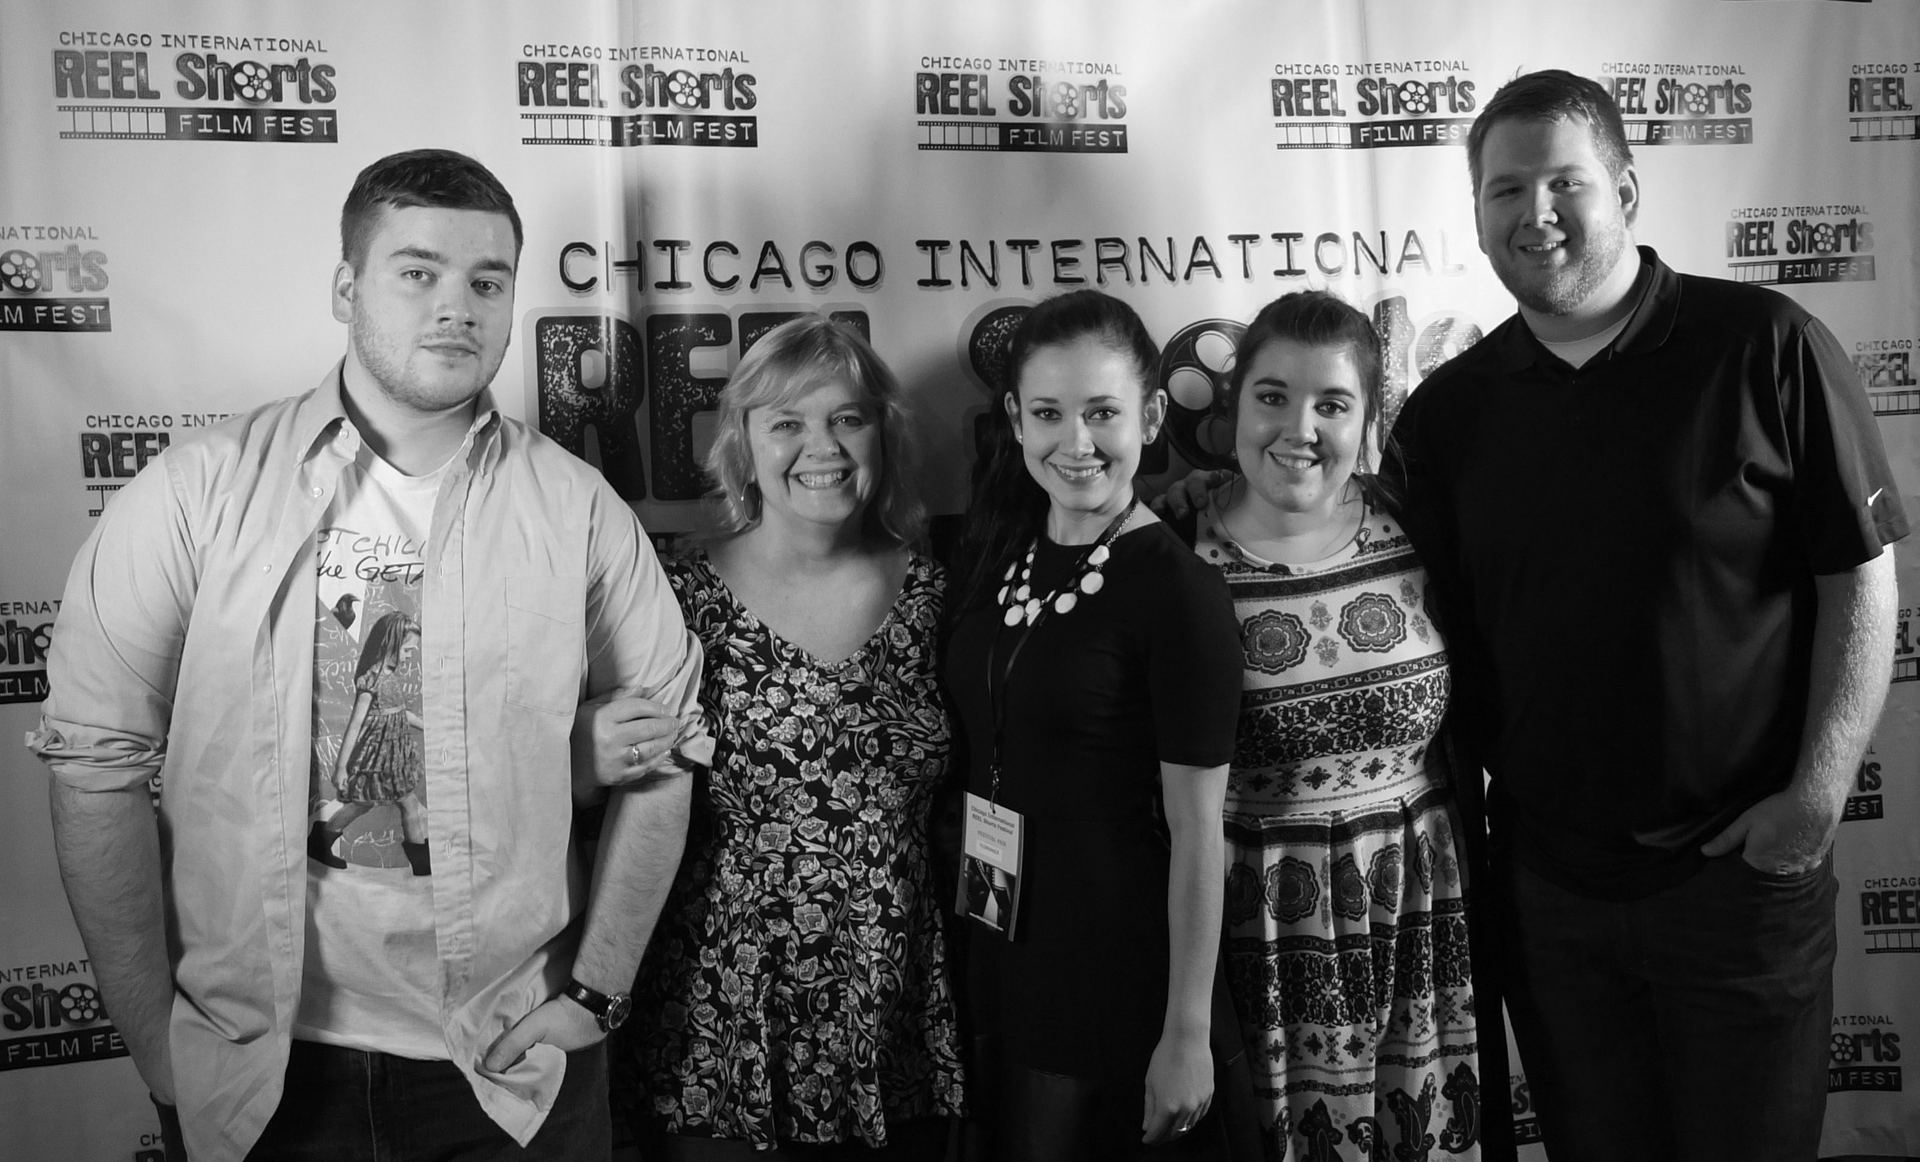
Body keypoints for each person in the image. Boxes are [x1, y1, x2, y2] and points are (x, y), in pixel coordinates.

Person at [26, 148, 711, 1162]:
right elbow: (92, 768)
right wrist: (157, 1053)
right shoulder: (197, 492)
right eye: (417, 271)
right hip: (261, 1073)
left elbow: (669, 758)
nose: (457, 306)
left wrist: (597, 995)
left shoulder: (575, 509)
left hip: (514, 1071)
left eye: (487, 281)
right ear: (346, 288)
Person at [1381, 71, 1906, 1160]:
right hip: (1551, 891)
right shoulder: (1449, 414)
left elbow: (1861, 581)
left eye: (1565, 181)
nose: (1536, 213)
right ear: (1476, 213)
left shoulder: (1765, 344)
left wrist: (1813, 800)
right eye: (1505, 188)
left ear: (1625, 186)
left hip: (1738, 884)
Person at [577, 316, 964, 1159]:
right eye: (786, 422)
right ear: (744, 446)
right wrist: (584, 751)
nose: (819, 445)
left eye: (847, 418)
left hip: (894, 1006)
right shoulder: (673, 594)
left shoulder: (942, 589)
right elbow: (574, 774)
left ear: (882, 435)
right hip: (717, 1017)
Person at [946, 289, 1255, 1160]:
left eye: (1103, 413)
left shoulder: (1178, 593)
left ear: (1153, 415)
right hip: (1002, 939)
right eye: (1048, 412)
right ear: (1012, 418)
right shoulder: (1000, 552)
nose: (1074, 443)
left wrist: (1186, 1033)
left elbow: (1199, 835)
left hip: (1112, 965)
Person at [1181, 291, 1480, 1160]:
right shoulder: (1171, 546)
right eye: (1272, 395)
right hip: (1259, 929)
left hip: (1420, 908)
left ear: (1368, 419)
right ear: (1234, 406)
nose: (1298, 427)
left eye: (1332, 404)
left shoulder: (1419, 522)